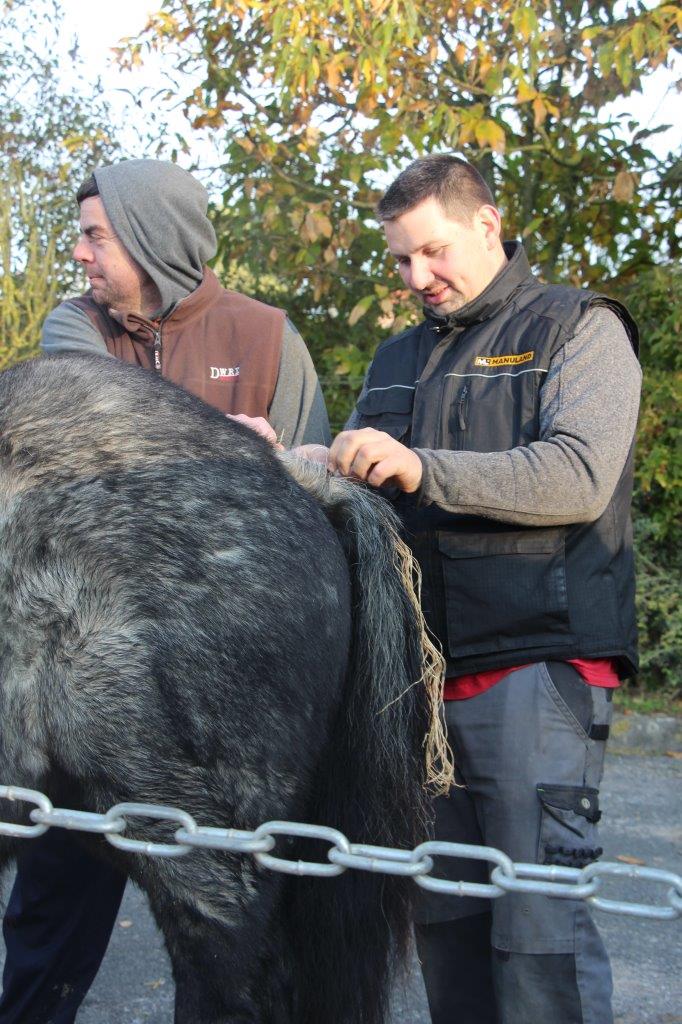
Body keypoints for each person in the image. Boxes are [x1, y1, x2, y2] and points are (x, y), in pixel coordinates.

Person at [0, 158, 330, 1024]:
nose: (78, 255)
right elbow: (98, 424)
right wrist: (235, 444)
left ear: (152, 240)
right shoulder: (74, 328)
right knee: (48, 913)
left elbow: (312, 483)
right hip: (75, 666)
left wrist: (288, 460)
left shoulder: (268, 338)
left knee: (229, 928)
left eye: (94, 235)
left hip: (221, 671)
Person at [324, 155, 641, 1024]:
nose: (416, 277)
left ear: (488, 224)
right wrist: (296, 461)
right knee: (447, 932)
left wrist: (422, 468)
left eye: (431, 252)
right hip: (417, 686)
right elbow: (358, 480)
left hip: (538, 672)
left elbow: (577, 475)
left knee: (540, 942)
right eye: (399, 260)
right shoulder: (396, 357)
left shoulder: (579, 326)